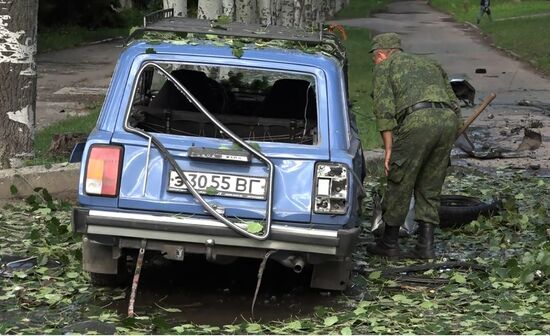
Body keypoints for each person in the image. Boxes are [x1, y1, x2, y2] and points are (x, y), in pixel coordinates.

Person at [366, 33, 461, 259]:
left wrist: (389, 150)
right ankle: (426, 247)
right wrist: (450, 134)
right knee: (431, 184)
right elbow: (454, 103)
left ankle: (389, 244)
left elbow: (384, 110)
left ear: (380, 54)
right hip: (448, 120)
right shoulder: (431, 63)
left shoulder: (384, 67)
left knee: (400, 179)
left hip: (417, 121)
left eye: (374, 59)